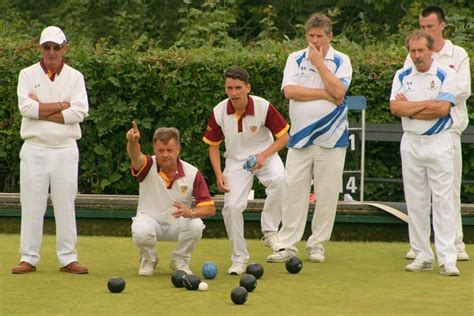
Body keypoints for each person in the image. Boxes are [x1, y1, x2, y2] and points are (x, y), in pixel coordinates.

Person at [267, 13, 352, 263]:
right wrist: (324, 94)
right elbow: (290, 91)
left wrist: (319, 64)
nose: (314, 41)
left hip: (332, 137)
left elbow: (339, 90)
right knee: (294, 191)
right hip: (300, 138)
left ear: (330, 36)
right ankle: (287, 244)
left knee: (326, 194)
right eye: (311, 36)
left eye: (319, 36)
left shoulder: (341, 60)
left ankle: (317, 245)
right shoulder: (295, 58)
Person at [12, 26, 89, 274]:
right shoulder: (27, 74)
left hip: (65, 149)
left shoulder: (75, 77)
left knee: (66, 203)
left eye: (57, 47)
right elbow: (26, 109)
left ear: (65, 48)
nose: (52, 52)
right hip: (34, 149)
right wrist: (60, 107)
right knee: (32, 204)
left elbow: (80, 111)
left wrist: (42, 110)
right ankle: (29, 257)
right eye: (47, 47)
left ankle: (68, 258)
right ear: (40, 48)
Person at [203, 67, 289, 275]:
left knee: (280, 179)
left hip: (265, 156)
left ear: (247, 88)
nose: (234, 93)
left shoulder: (263, 107)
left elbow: (284, 137)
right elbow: (213, 146)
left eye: (238, 88)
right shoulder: (218, 111)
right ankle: (239, 259)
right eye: (229, 88)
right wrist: (219, 174)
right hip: (235, 162)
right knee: (231, 207)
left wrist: (262, 156)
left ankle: (270, 232)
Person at [403, 5, 471, 262]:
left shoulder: (459, 54)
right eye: (422, 26)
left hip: (449, 131)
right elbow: (404, 94)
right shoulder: (413, 54)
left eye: (430, 26)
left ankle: (455, 243)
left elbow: (459, 91)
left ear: (442, 25)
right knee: (418, 192)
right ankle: (420, 247)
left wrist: (422, 104)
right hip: (418, 133)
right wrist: (430, 103)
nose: (425, 31)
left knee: (448, 191)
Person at [390, 30, 460, 276]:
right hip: (411, 142)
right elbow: (395, 107)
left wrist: (410, 107)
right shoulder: (401, 75)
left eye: (421, 50)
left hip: (439, 142)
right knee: (416, 201)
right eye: (413, 51)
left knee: (442, 201)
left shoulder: (446, 73)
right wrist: (422, 106)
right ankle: (422, 254)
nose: (417, 55)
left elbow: (442, 109)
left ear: (431, 50)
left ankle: (447, 258)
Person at [127, 122, 215, 276]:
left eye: (170, 150)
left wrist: (191, 212)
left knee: (196, 225)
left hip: (178, 224)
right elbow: (135, 156)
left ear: (178, 150)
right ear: (155, 149)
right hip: (150, 220)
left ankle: (180, 260)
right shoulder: (148, 164)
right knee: (140, 231)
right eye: (161, 150)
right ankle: (149, 259)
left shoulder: (192, 173)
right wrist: (133, 141)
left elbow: (210, 208)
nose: (165, 154)